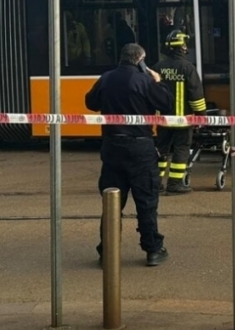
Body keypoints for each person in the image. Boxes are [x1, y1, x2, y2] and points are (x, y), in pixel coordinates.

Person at [85, 43, 173, 266]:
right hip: (140, 148)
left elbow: (90, 102)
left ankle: (107, 251)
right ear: (141, 60)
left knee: (112, 201)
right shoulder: (144, 81)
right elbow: (167, 104)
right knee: (146, 201)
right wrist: (158, 81)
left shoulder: (106, 78)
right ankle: (153, 249)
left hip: (112, 148)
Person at [154, 29, 207, 195]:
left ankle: (155, 183)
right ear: (183, 47)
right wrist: (201, 116)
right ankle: (175, 183)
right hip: (183, 119)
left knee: (161, 149)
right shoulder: (187, 68)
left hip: (163, 119)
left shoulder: (158, 67)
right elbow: (196, 95)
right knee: (181, 149)